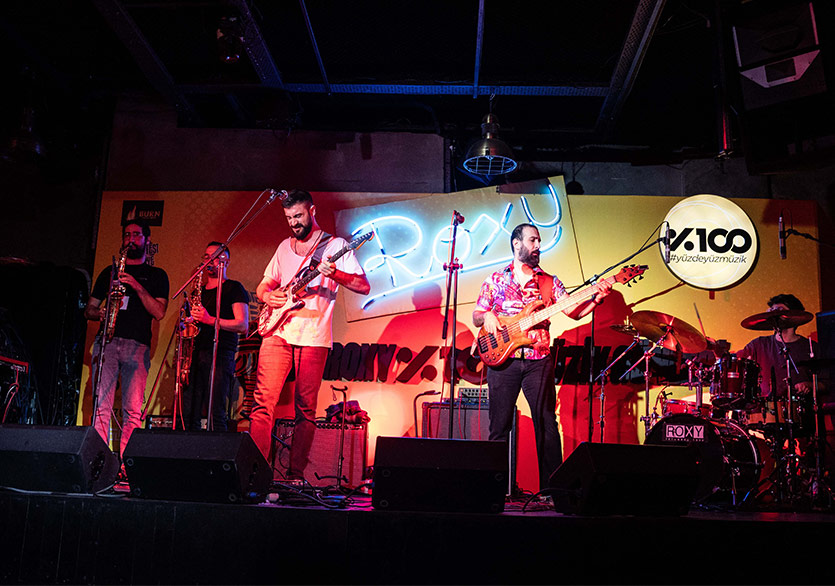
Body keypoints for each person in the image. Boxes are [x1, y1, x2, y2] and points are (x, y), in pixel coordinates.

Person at [472, 223, 611, 490]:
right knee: (499, 427)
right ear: (516, 243)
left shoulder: (549, 282)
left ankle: (551, 490)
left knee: (546, 423)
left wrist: (596, 298)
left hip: (539, 360)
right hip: (502, 361)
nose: (538, 246)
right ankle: (494, 489)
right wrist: (487, 315)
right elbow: (477, 315)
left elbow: (573, 311)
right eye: (532, 240)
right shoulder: (495, 280)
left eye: (539, 241)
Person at [249, 189, 370, 481]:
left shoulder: (336, 245)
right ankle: (254, 473)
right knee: (262, 403)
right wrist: (268, 296)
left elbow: (363, 286)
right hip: (278, 331)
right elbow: (264, 285)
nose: (294, 223)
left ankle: (294, 475)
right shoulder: (283, 247)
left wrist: (334, 273)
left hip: (314, 335)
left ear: (312, 211)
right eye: (289, 218)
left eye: (298, 216)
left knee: (305, 409)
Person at [84, 219, 169, 458]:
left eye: (137, 235)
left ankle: (126, 463)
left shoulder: (156, 275)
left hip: (137, 346)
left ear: (147, 240)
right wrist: (99, 313)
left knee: (132, 410)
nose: (131, 239)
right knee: (101, 406)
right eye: (127, 235)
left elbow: (159, 312)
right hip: (107, 342)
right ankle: (99, 461)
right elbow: (89, 309)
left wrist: (136, 286)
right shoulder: (109, 272)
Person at [180, 242, 250, 432]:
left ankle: (217, 449)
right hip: (195, 353)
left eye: (215, 257)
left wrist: (209, 320)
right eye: (206, 257)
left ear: (226, 262)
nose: (209, 260)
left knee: (216, 411)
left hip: (220, 354)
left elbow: (242, 325)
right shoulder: (198, 291)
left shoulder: (234, 288)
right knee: (189, 411)